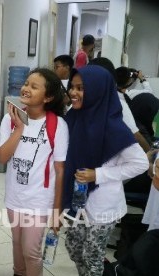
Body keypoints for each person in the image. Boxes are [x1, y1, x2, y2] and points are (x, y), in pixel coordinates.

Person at [63, 65, 149, 276]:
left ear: (97, 91)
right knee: (74, 249)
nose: (73, 93)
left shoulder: (114, 126)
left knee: (93, 257)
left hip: (103, 206)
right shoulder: (73, 117)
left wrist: (98, 174)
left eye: (81, 88)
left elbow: (140, 163)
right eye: (72, 87)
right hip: (77, 200)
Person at [0, 68, 68, 276]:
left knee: (31, 252)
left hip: (39, 200)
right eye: (26, 83)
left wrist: (56, 211)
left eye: (34, 86)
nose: (26, 88)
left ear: (48, 97)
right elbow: (2, 157)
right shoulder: (9, 119)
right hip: (14, 197)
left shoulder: (57, 125)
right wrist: (19, 128)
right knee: (17, 247)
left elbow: (60, 169)